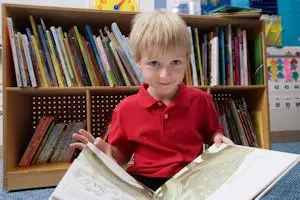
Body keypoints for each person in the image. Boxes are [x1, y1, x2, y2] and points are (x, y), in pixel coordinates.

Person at [71, 10, 233, 191]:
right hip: (143, 181)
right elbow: (121, 157)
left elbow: (212, 133)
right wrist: (102, 150)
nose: (165, 74)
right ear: (138, 61)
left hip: (190, 178)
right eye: (155, 63)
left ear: (187, 60)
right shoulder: (125, 109)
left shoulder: (202, 100)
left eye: (176, 62)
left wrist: (218, 138)